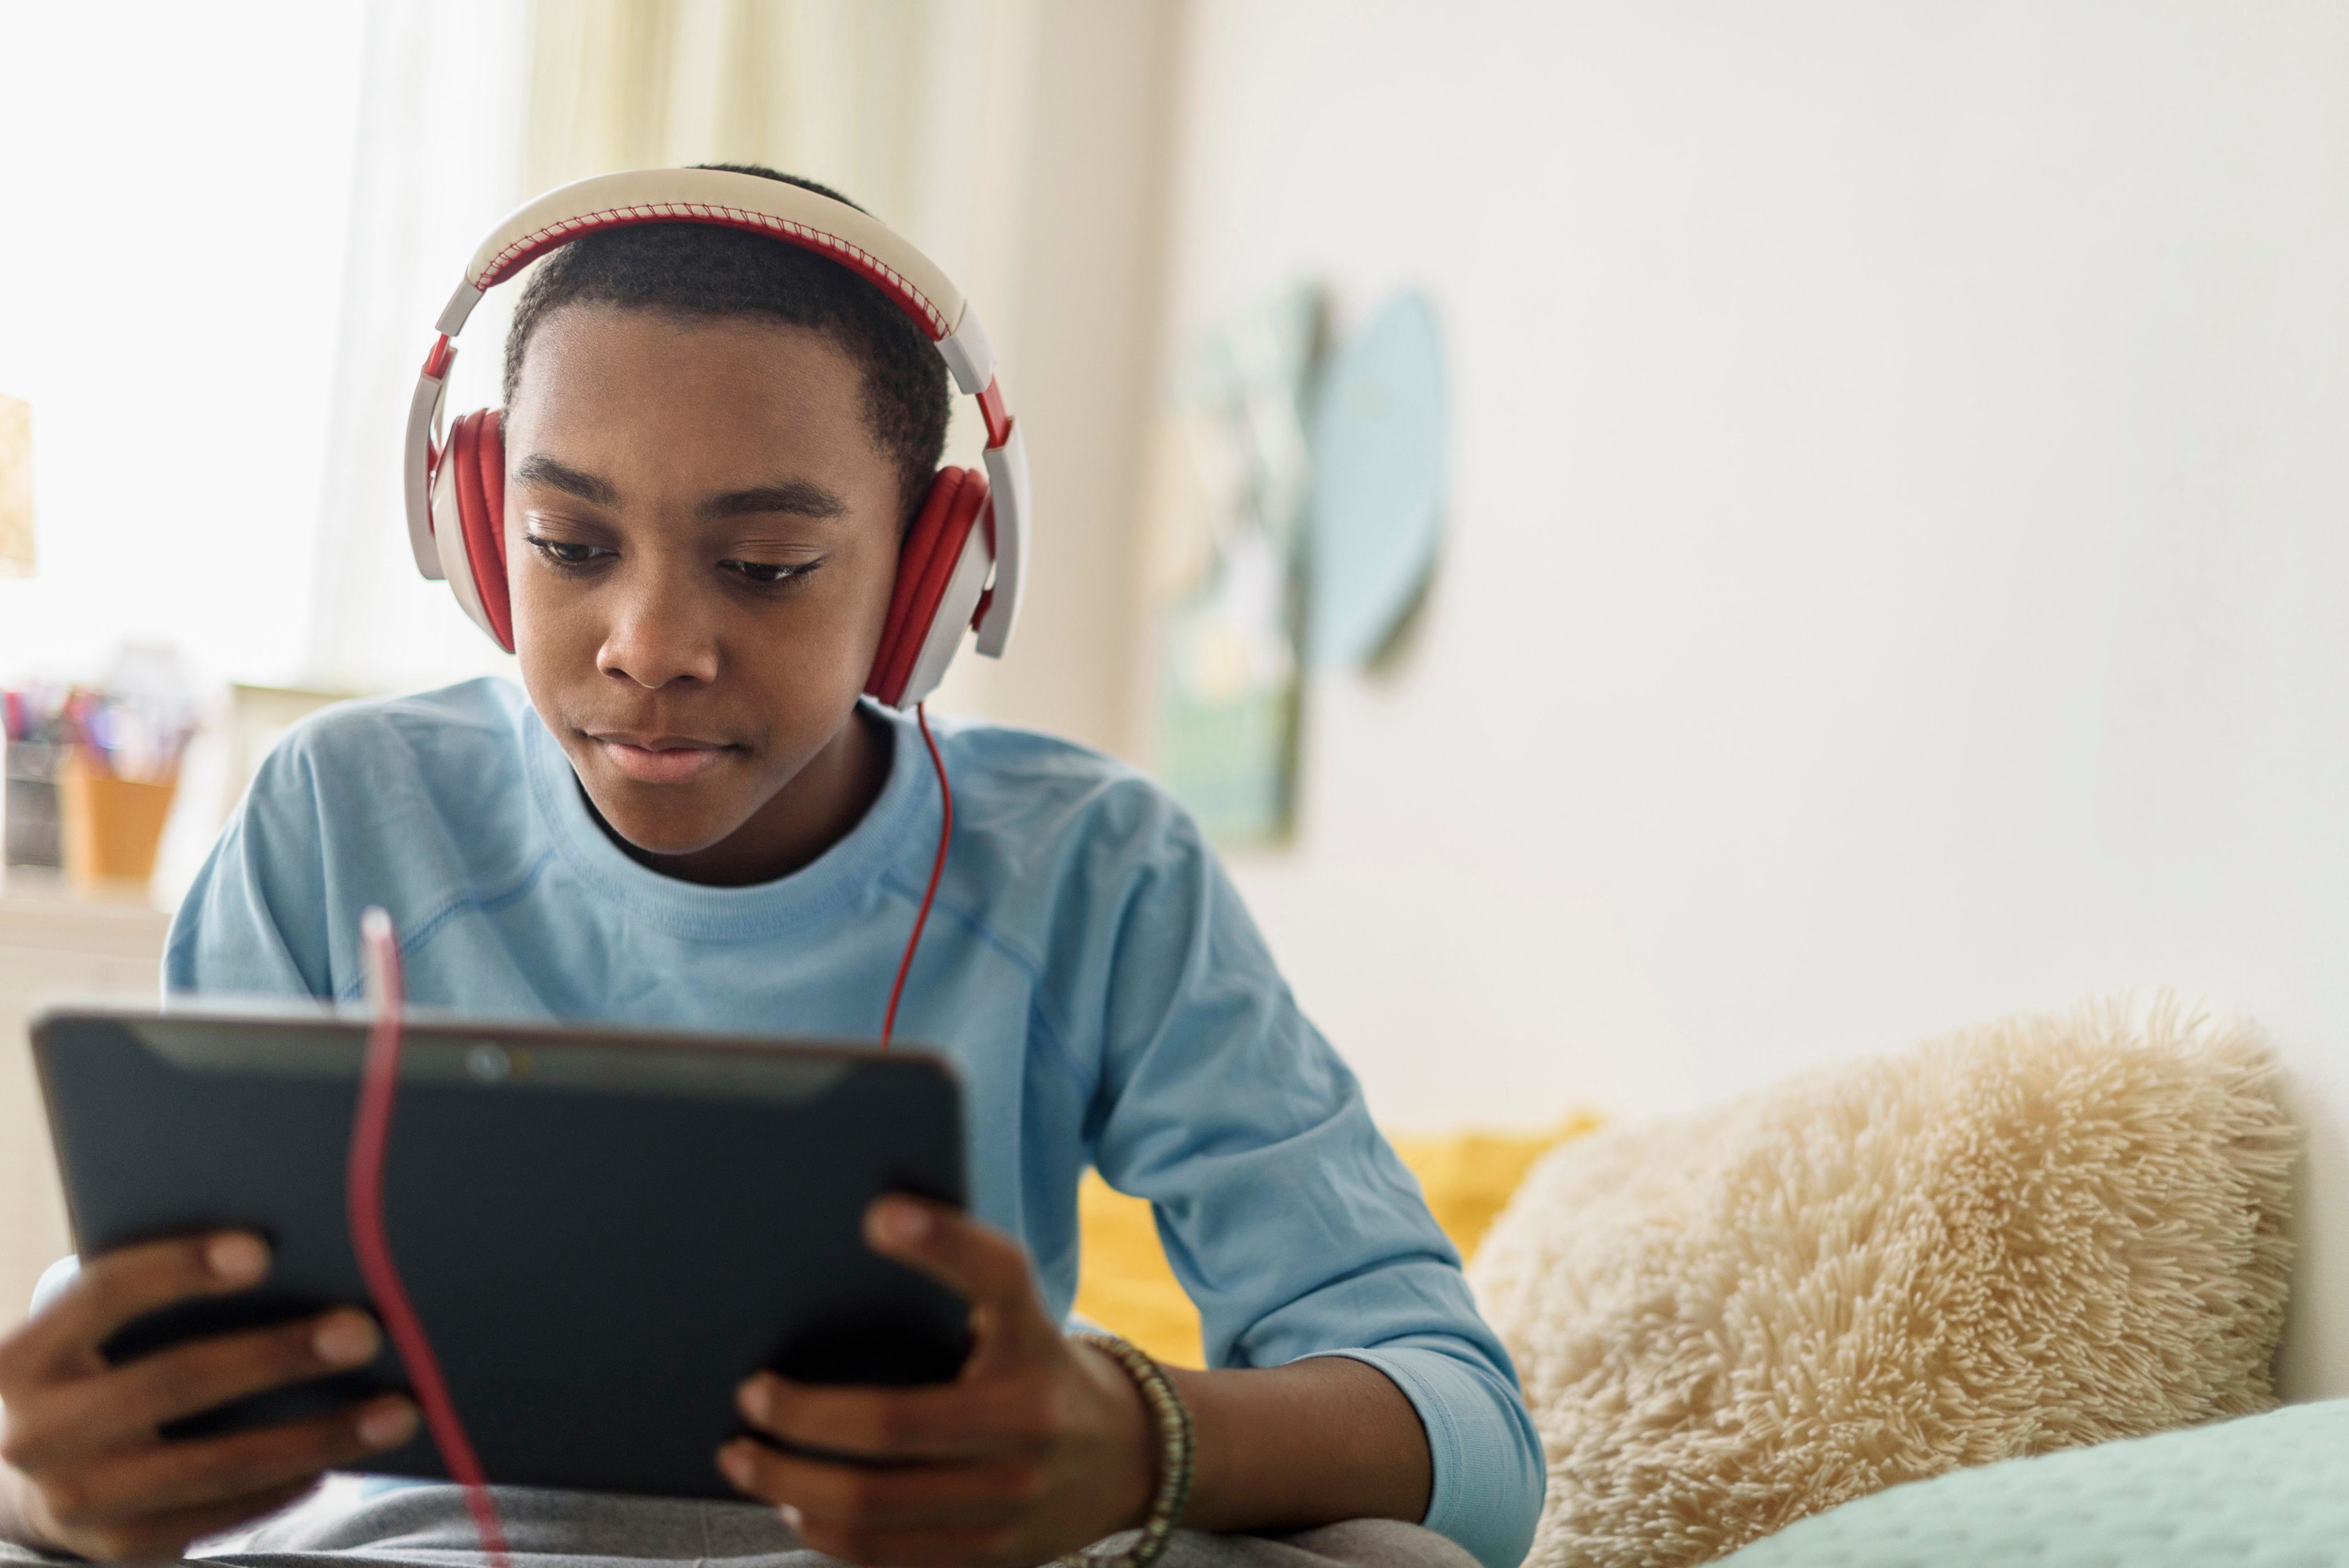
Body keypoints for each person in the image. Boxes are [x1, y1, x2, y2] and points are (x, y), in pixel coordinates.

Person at [0, 167, 1542, 1568]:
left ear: (930, 576)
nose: (651, 647)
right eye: (566, 542)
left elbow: (1468, 1441)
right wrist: (70, 1482)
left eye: (769, 567)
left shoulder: (1090, 867)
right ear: (478, 529)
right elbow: (135, 1351)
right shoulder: (340, 812)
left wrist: (1134, 1439)